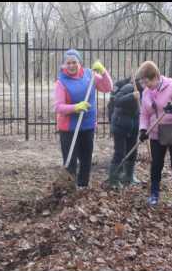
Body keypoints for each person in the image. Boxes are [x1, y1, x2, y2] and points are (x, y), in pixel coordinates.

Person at [54, 49, 113, 188]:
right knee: (71, 161)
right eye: (68, 63)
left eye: (74, 62)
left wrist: (103, 72)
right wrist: (75, 107)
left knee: (86, 160)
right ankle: (69, 189)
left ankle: (83, 187)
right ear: (64, 64)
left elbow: (108, 87)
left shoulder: (89, 75)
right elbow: (58, 107)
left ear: (79, 62)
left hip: (87, 125)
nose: (71, 65)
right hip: (68, 128)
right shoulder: (61, 82)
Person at [137, 61, 172, 209]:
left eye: (147, 81)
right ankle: (154, 195)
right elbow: (144, 114)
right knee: (156, 165)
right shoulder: (146, 93)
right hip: (156, 133)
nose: (146, 85)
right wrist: (143, 129)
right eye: (143, 82)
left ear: (155, 77)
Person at [106, 76, 144, 188]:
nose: (145, 83)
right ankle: (113, 180)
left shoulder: (148, 90)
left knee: (133, 151)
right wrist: (132, 96)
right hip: (120, 124)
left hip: (134, 124)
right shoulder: (129, 87)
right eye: (143, 80)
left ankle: (129, 176)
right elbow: (116, 101)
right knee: (120, 153)